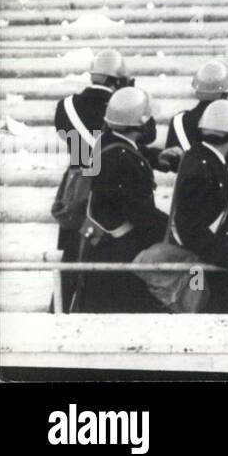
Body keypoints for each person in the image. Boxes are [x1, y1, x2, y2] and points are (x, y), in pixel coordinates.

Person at [71, 87, 168, 314]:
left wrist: (156, 157)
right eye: (149, 119)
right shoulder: (122, 160)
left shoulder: (104, 142)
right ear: (139, 124)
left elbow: (130, 151)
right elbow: (140, 214)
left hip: (100, 247)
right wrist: (175, 228)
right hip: (120, 254)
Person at [52, 49, 132, 310]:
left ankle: (59, 309)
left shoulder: (66, 107)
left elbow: (68, 136)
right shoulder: (124, 108)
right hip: (108, 186)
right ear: (118, 80)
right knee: (103, 254)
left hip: (77, 184)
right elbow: (146, 135)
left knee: (71, 254)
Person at [170, 100, 228, 313]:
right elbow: (191, 228)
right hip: (208, 265)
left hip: (212, 261)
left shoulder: (203, 157)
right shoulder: (203, 165)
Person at [157, 60, 228, 173]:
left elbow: (173, 164)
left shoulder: (178, 121)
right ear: (227, 92)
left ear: (197, 90)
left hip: (190, 186)